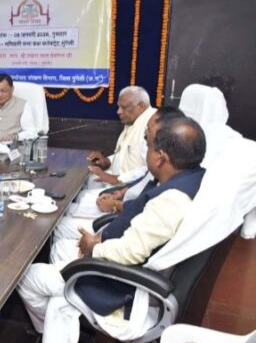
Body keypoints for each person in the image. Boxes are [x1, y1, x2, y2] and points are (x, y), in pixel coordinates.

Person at [18, 115, 207, 343]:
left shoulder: (171, 201)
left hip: (122, 288)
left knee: (27, 277)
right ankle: (65, 316)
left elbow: (130, 253)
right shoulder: (192, 178)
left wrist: (94, 248)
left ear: (160, 158)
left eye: (149, 146)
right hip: (126, 267)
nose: (146, 150)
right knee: (61, 248)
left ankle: (46, 336)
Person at [50, 107, 185, 263]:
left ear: (161, 156)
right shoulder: (172, 177)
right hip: (115, 229)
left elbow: (133, 250)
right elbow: (142, 183)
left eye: (149, 132)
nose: (146, 137)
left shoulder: (170, 199)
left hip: (110, 260)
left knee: (57, 238)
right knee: (62, 218)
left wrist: (95, 245)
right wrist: (120, 193)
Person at [86, 86, 156, 187]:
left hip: (132, 187)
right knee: (90, 180)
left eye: (124, 107)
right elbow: (126, 153)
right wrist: (108, 161)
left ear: (141, 106)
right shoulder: (134, 119)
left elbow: (150, 169)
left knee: (84, 195)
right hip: (119, 179)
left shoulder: (152, 125)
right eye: (119, 107)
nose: (118, 112)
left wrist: (116, 179)